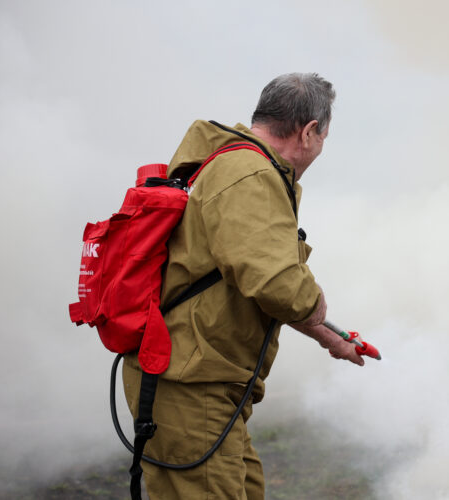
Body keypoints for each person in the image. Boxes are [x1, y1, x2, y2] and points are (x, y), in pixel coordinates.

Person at [122, 72, 364, 500]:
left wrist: (329, 337)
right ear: (309, 132)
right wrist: (317, 305)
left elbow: (250, 282)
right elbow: (277, 284)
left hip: (202, 387)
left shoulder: (235, 165)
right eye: (324, 135)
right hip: (192, 388)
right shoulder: (250, 174)